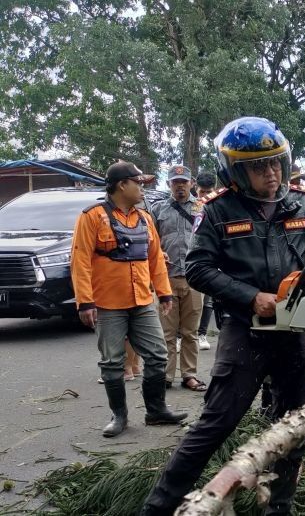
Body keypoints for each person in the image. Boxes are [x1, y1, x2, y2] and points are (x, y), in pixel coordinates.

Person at [141, 117, 305, 515]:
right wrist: (252, 297)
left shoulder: (303, 203)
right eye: (258, 166)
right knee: (216, 423)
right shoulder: (218, 210)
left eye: (275, 163)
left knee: (294, 424)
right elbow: (198, 267)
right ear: (235, 170)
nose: (271, 172)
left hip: (295, 329)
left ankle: (278, 507)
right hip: (244, 330)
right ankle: (158, 507)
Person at [71, 161, 187, 438]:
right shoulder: (92, 216)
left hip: (143, 301)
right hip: (109, 304)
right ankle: (119, 416)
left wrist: (164, 292)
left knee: (158, 355)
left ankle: (156, 411)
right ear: (122, 185)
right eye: (139, 183)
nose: (143, 189)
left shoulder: (145, 218)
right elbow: (80, 260)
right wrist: (85, 302)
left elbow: (155, 258)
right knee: (112, 363)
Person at [149, 165, 209, 391]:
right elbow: (151, 242)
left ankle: (189, 375)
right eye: (175, 182)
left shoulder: (202, 208)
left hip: (194, 279)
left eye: (184, 182)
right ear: (169, 185)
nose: (180, 186)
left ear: (192, 183)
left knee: (190, 333)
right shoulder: (158, 210)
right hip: (166, 279)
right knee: (166, 332)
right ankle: (165, 376)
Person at [194, 171, 217, 348]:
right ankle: (182, 335)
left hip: (213, 259)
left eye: (208, 191)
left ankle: (202, 334)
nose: (205, 195)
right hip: (193, 257)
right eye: (202, 192)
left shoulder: (219, 205)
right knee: (189, 301)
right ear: (196, 189)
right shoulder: (191, 206)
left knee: (208, 300)